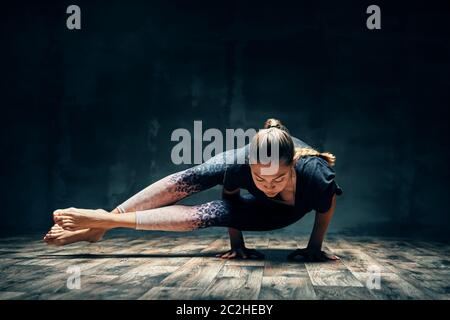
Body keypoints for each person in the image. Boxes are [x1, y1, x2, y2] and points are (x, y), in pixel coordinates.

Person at [44, 118, 343, 261]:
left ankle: (103, 222)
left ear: (291, 165)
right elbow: (230, 203)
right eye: (260, 179)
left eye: (276, 180)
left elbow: (325, 207)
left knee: (209, 212)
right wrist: (237, 245)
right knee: (195, 177)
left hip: (277, 215)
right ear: (251, 167)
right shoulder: (240, 165)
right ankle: (106, 221)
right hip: (241, 182)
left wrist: (314, 247)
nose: (267, 187)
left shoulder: (316, 174)